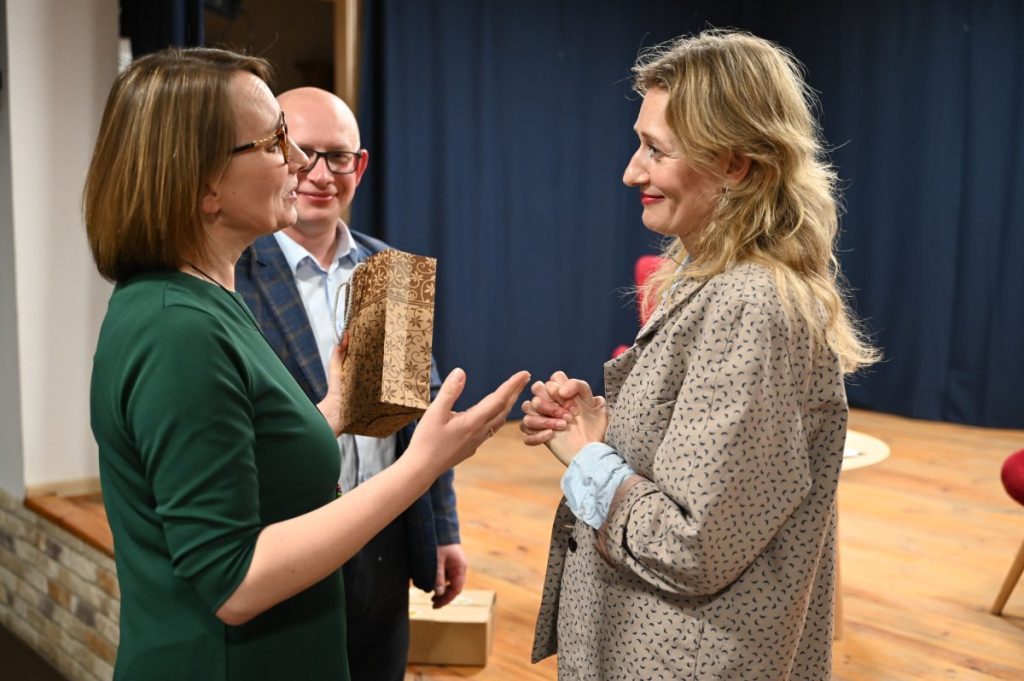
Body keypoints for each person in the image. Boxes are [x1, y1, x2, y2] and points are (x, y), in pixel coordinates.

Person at [83, 47, 529, 681]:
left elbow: (256, 452)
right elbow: (234, 581)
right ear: (204, 182)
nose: (299, 163)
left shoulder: (212, 299)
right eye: (276, 143)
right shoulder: (178, 328)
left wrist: (336, 410)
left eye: (331, 154)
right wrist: (424, 464)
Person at [521, 30, 878, 680]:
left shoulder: (752, 303)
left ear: (736, 164)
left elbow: (694, 545)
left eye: (656, 150)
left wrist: (588, 457)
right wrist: (606, 427)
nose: (632, 171)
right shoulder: (715, 280)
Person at [234, 87, 464, 681]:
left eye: (337, 157)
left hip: (385, 538)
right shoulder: (233, 275)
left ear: (359, 167)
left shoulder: (392, 270)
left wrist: (443, 532)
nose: (319, 174)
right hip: (290, 542)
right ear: (276, 156)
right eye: (302, 153)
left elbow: (420, 417)